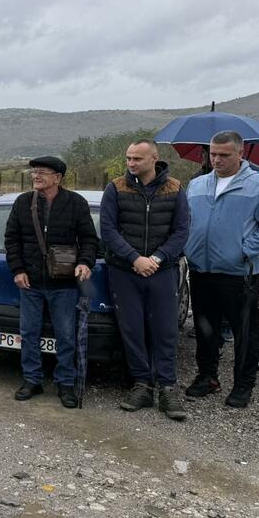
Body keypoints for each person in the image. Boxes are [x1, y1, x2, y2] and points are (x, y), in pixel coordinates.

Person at [184, 131, 259, 408]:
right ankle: (208, 377)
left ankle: (243, 385)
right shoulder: (197, 185)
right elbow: (186, 221)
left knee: (245, 332)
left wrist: (244, 249)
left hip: (239, 273)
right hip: (201, 269)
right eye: (213, 154)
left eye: (224, 154)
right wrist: (189, 247)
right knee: (205, 328)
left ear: (240, 152)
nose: (217, 159)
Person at [100, 140, 189, 420]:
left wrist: (158, 258)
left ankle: (167, 387)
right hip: (125, 271)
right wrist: (135, 259)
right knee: (132, 329)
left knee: (165, 330)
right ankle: (141, 384)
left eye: (137, 158)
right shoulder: (115, 188)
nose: (131, 164)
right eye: (128, 158)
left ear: (154, 158)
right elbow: (108, 230)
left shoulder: (175, 188)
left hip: (162, 272)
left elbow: (182, 230)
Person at [4, 156, 98, 409]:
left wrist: (85, 262)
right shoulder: (23, 203)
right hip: (30, 283)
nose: (36, 176)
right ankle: (32, 380)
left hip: (64, 285)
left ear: (58, 177)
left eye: (42, 172)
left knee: (66, 335)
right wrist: (18, 269)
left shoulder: (76, 204)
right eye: (34, 172)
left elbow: (89, 239)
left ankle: (66, 383)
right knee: (28, 333)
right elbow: (12, 240)